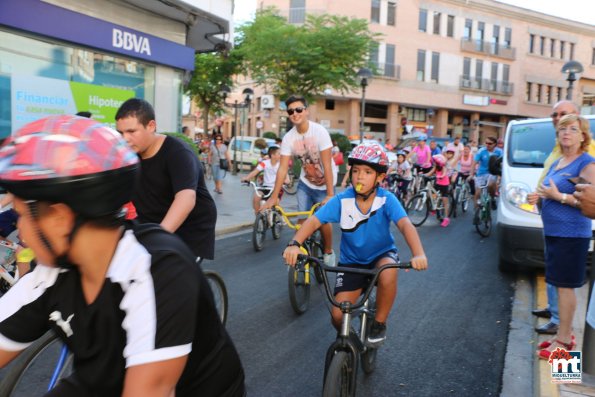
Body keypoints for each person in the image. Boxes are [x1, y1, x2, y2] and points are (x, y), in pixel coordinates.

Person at [0, 115, 245, 396]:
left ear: (58, 217)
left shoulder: (157, 272)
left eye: (21, 216)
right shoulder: (50, 274)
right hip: (102, 381)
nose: (19, 231)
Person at [283, 142, 428, 346]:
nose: (360, 176)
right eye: (356, 170)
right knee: (337, 315)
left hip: (381, 256)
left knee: (388, 271)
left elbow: (405, 225)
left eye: (368, 172)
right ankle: (350, 344)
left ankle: (378, 323)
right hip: (351, 264)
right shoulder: (342, 200)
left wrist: (418, 254)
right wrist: (294, 243)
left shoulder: (387, 199)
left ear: (380, 177)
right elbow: (315, 220)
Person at [527, 114, 595, 360]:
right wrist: (540, 197)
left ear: (582, 136)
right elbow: (551, 191)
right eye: (562, 129)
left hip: (572, 235)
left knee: (566, 289)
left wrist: (559, 197)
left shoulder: (586, 163)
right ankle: (561, 338)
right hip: (555, 233)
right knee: (558, 284)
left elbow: (590, 202)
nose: (566, 132)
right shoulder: (560, 161)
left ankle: (565, 346)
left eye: (573, 129)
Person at [115, 98, 217, 260]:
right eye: (121, 133)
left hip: (190, 228)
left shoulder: (178, 153)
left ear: (151, 126)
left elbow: (186, 198)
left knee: (171, 275)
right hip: (152, 220)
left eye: (131, 131)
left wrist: (158, 238)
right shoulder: (128, 155)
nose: (125, 139)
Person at [262, 95, 336, 266]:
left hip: (325, 185)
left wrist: (330, 194)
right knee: (301, 221)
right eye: (291, 111)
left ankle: (328, 250)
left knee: (324, 220)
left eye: (299, 109)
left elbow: (327, 164)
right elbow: (282, 168)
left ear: (306, 111)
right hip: (305, 184)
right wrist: (274, 197)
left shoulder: (319, 132)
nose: (295, 113)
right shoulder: (288, 138)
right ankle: (298, 255)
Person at [241, 145, 288, 214]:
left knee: (276, 202)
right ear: (272, 155)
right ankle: (258, 216)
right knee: (256, 197)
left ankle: (280, 216)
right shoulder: (265, 163)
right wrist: (247, 178)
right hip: (265, 187)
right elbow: (255, 171)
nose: (281, 155)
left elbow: (286, 176)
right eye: (279, 154)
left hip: (276, 188)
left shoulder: (281, 164)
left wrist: (286, 180)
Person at [472, 136, 502, 220]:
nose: (487, 145)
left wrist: (500, 176)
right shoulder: (481, 151)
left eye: (490, 143)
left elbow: (502, 163)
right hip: (481, 174)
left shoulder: (499, 152)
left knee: (490, 185)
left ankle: (492, 199)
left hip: (493, 172)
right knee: (477, 193)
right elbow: (474, 163)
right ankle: (476, 214)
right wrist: (471, 174)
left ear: (495, 144)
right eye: (486, 143)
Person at [425, 154, 451, 227]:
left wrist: (440, 176)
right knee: (433, 195)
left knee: (444, 200)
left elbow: (444, 174)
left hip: (444, 185)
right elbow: (430, 173)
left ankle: (446, 218)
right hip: (438, 184)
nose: (434, 163)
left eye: (435, 162)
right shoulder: (435, 167)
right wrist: (424, 175)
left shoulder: (443, 167)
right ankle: (434, 206)